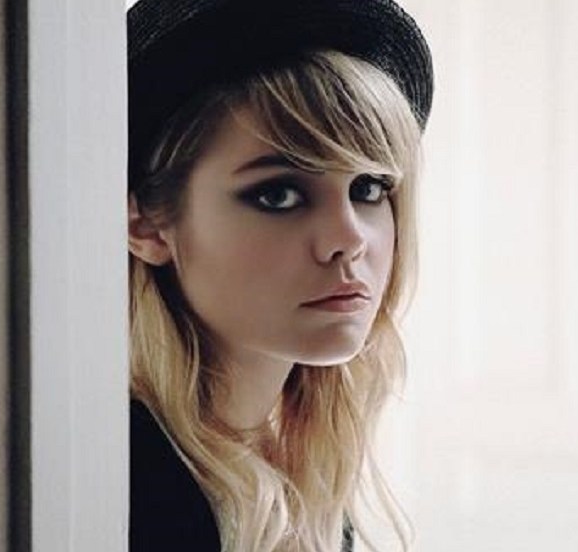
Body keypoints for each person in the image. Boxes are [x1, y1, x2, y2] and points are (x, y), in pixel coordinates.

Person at [126, 0, 433, 550]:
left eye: (368, 188)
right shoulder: (134, 490)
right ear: (146, 224)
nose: (348, 239)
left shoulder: (301, 486)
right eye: (279, 194)